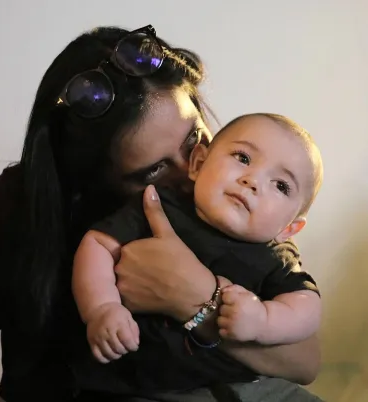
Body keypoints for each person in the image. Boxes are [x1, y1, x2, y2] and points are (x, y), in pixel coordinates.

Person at [0, 25, 323, 402]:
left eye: (194, 139)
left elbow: (303, 363)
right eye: (154, 170)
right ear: (95, 179)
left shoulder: (242, 199)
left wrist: (196, 298)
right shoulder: (23, 203)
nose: (191, 171)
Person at [73, 112, 323, 371]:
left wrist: (264, 321)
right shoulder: (160, 205)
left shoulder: (276, 257)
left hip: (229, 384)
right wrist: (102, 307)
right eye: (243, 158)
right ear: (199, 163)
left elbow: (307, 307)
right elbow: (99, 244)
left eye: (281, 186)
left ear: (290, 228)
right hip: (132, 376)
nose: (253, 181)